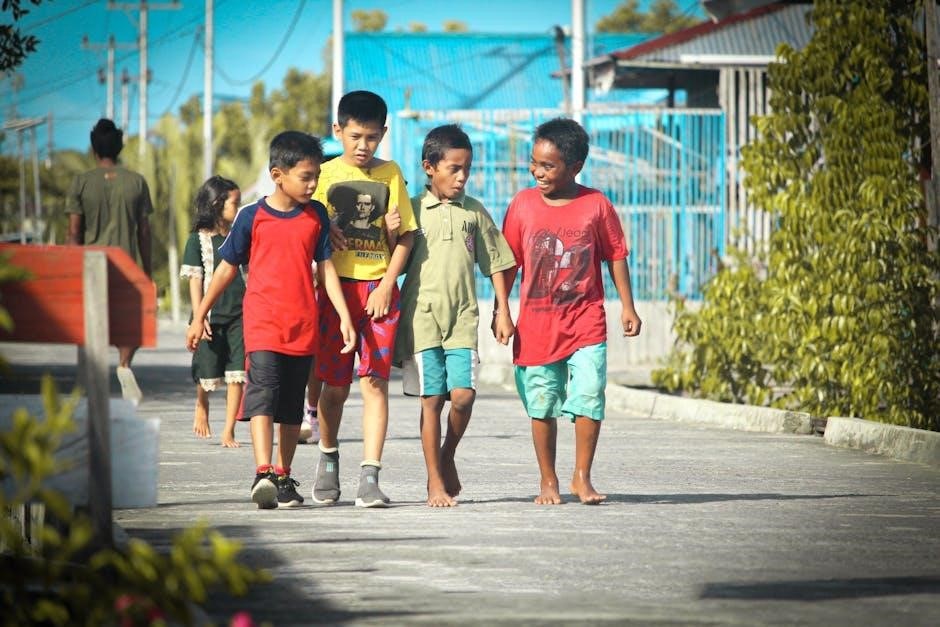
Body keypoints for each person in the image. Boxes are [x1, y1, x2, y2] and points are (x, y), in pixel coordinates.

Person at [185, 131, 355, 509]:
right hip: (262, 324)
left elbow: (326, 268)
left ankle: (282, 475)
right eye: (306, 177)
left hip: (303, 325)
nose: (313, 184)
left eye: (316, 176)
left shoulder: (316, 216)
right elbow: (226, 269)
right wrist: (200, 314)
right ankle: (262, 472)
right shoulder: (251, 217)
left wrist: (344, 315)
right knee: (262, 395)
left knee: (291, 406)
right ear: (278, 175)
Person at [498, 117, 642, 506]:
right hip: (537, 325)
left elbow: (615, 255)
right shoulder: (522, 204)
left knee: (590, 392)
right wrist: (501, 310)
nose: (537, 172)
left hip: (586, 319)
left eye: (548, 166)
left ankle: (582, 477)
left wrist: (627, 306)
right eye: (534, 163)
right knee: (542, 402)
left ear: (575, 166)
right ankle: (548, 480)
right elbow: (508, 262)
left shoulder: (596, 205)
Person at [394, 124, 516, 507]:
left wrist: (502, 310)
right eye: (454, 169)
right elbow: (393, 260)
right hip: (421, 319)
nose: (462, 177)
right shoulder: (412, 210)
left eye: (467, 169)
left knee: (462, 397)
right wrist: (389, 232)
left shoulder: (474, 211)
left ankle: (447, 455)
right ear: (429, 167)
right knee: (432, 400)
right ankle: (434, 481)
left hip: (463, 318)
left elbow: (497, 262)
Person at [311, 90, 417, 508]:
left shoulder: (391, 174)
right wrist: (324, 232)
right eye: (355, 136)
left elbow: (405, 236)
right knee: (335, 386)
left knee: (374, 383)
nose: (363, 145)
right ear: (337, 130)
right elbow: (309, 236)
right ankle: (328, 459)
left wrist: (388, 284)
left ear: (383, 134)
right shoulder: (321, 175)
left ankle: (370, 476)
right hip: (335, 290)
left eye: (371, 137)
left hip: (379, 292)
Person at [67, 118, 153, 406]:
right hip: (127, 265)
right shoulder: (136, 182)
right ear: (119, 147)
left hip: (91, 267)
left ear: (94, 149)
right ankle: (124, 364)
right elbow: (144, 232)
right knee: (131, 324)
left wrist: (71, 270)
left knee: (89, 323)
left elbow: (74, 232)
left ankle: (89, 373)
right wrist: (147, 271)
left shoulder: (81, 182)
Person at [180, 175, 246, 448]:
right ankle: (202, 403)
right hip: (208, 315)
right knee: (206, 367)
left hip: (240, 313)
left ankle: (229, 430)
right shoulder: (197, 240)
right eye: (234, 203)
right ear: (217, 204)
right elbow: (195, 280)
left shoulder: (241, 235)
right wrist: (199, 317)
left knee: (237, 372)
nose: (238, 208)